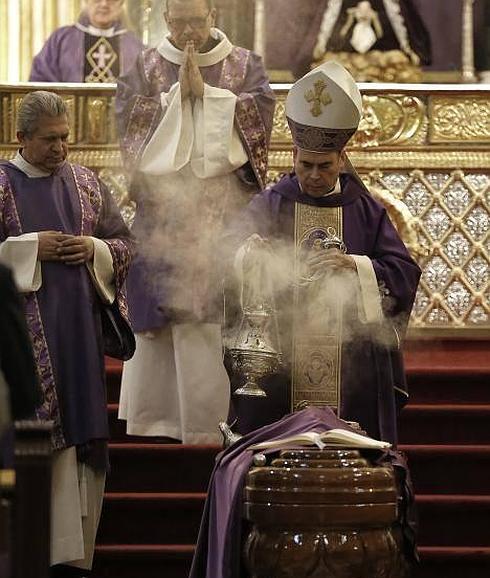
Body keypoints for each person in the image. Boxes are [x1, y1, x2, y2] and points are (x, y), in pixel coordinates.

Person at [224, 61, 421, 446]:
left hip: (351, 358)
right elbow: (230, 256)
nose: (313, 175)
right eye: (306, 164)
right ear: (294, 158)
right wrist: (251, 257)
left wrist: (357, 266)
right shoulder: (272, 204)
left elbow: (403, 272)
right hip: (282, 350)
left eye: (324, 166)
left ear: (341, 161)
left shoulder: (365, 209)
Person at [115, 0, 275, 444]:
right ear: (165, 20)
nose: (188, 31)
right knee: (161, 312)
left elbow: (259, 117)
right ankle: (157, 419)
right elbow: (129, 124)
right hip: (163, 216)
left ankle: (210, 423)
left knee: (214, 311)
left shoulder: (245, 66)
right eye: (178, 20)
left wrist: (208, 98)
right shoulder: (145, 67)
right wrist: (174, 101)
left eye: (196, 20)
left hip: (221, 218)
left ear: (214, 17)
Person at [0, 90, 134, 577]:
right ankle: (31, 552)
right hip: (20, 342)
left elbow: (125, 243)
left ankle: (76, 560)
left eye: (65, 139)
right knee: (39, 441)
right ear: (21, 139)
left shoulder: (87, 184)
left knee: (80, 444)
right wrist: (28, 247)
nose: (60, 149)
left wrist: (94, 248)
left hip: (78, 338)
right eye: (49, 140)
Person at [293, 0, 431, 82]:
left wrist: (376, 18)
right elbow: (333, 33)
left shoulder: (389, 5)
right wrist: (351, 19)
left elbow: (398, 27)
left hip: (383, 60)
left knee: (400, 66)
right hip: (345, 59)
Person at [30, 0, 143, 83]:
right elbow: (40, 81)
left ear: (121, 3)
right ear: (86, 1)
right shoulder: (61, 40)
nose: (104, 4)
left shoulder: (135, 46)